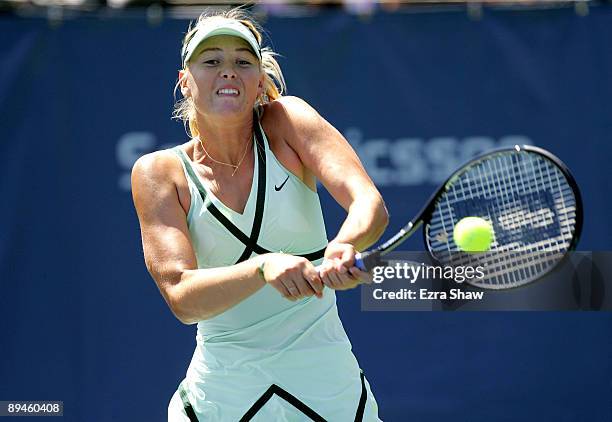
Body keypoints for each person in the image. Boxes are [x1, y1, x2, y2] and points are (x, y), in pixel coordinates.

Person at [131, 8, 388, 421]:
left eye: (242, 62)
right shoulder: (158, 173)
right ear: (185, 82)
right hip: (222, 396)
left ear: (259, 83)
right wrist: (261, 268)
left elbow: (368, 204)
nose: (228, 71)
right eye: (212, 61)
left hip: (329, 386)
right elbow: (181, 296)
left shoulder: (288, 121)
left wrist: (344, 244)